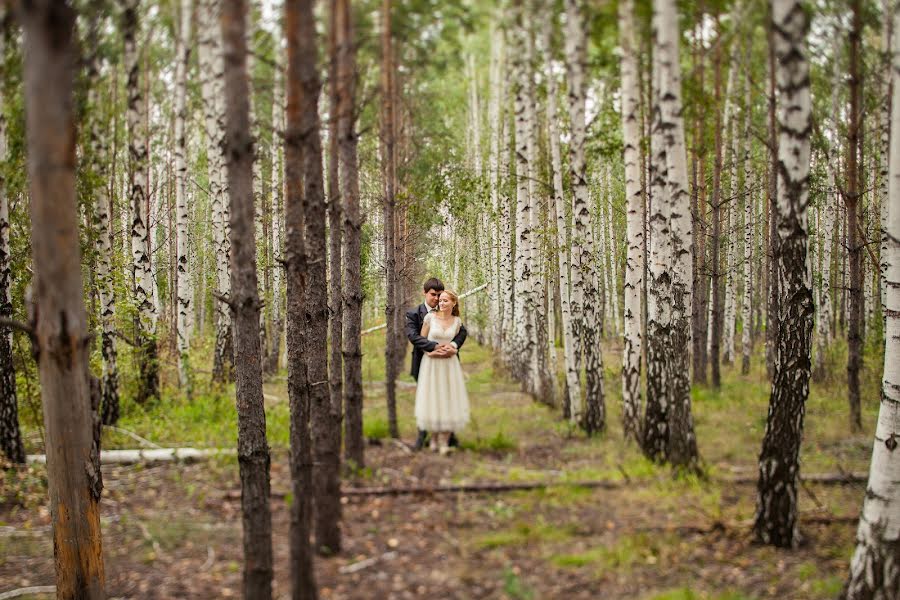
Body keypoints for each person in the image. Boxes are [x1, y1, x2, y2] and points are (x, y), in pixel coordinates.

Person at [405, 278, 467, 450]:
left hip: (448, 363)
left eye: (440, 296)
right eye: (434, 295)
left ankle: (448, 438)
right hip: (425, 363)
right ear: (424, 293)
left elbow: (462, 332)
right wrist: (433, 347)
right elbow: (413, 336)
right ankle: (422, 438)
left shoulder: (452, 316)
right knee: (427, 398)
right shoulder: (414, 313)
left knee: (447, 396)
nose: (437, 299)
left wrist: (453, 346)